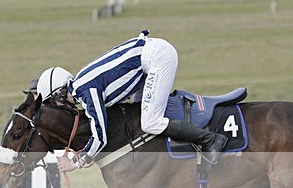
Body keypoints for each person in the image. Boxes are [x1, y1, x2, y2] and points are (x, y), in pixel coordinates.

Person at [36, 30, 227, 173]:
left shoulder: (84, 90)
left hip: (156, 58)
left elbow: (100, 136)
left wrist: (75, 163)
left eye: (53, 102)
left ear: (58, 93)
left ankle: (210, 140)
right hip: (151, 56)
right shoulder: (81, 84)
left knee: (150, 122)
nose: (57, 108)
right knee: (140, 116)